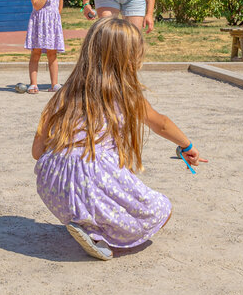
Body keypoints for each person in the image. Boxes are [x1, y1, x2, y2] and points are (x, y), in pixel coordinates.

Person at [33, 16, 207, 260]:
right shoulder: (125, 93)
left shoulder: (65, 92)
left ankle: (85, 223)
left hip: (51, 182)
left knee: (100, 188)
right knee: (162, 211)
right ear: (127, 59)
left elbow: (36, 151)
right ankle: (97, 235)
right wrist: (187, 145)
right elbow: (162, 124)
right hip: (91, 174)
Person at [24, 0, 65, 93]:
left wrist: (54, 22)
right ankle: (33, 84)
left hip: (52, 25)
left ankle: (54, 84)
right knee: (36, 53)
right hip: (38, 25)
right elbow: (36, 5)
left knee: (52, 54)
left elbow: (59, 8)